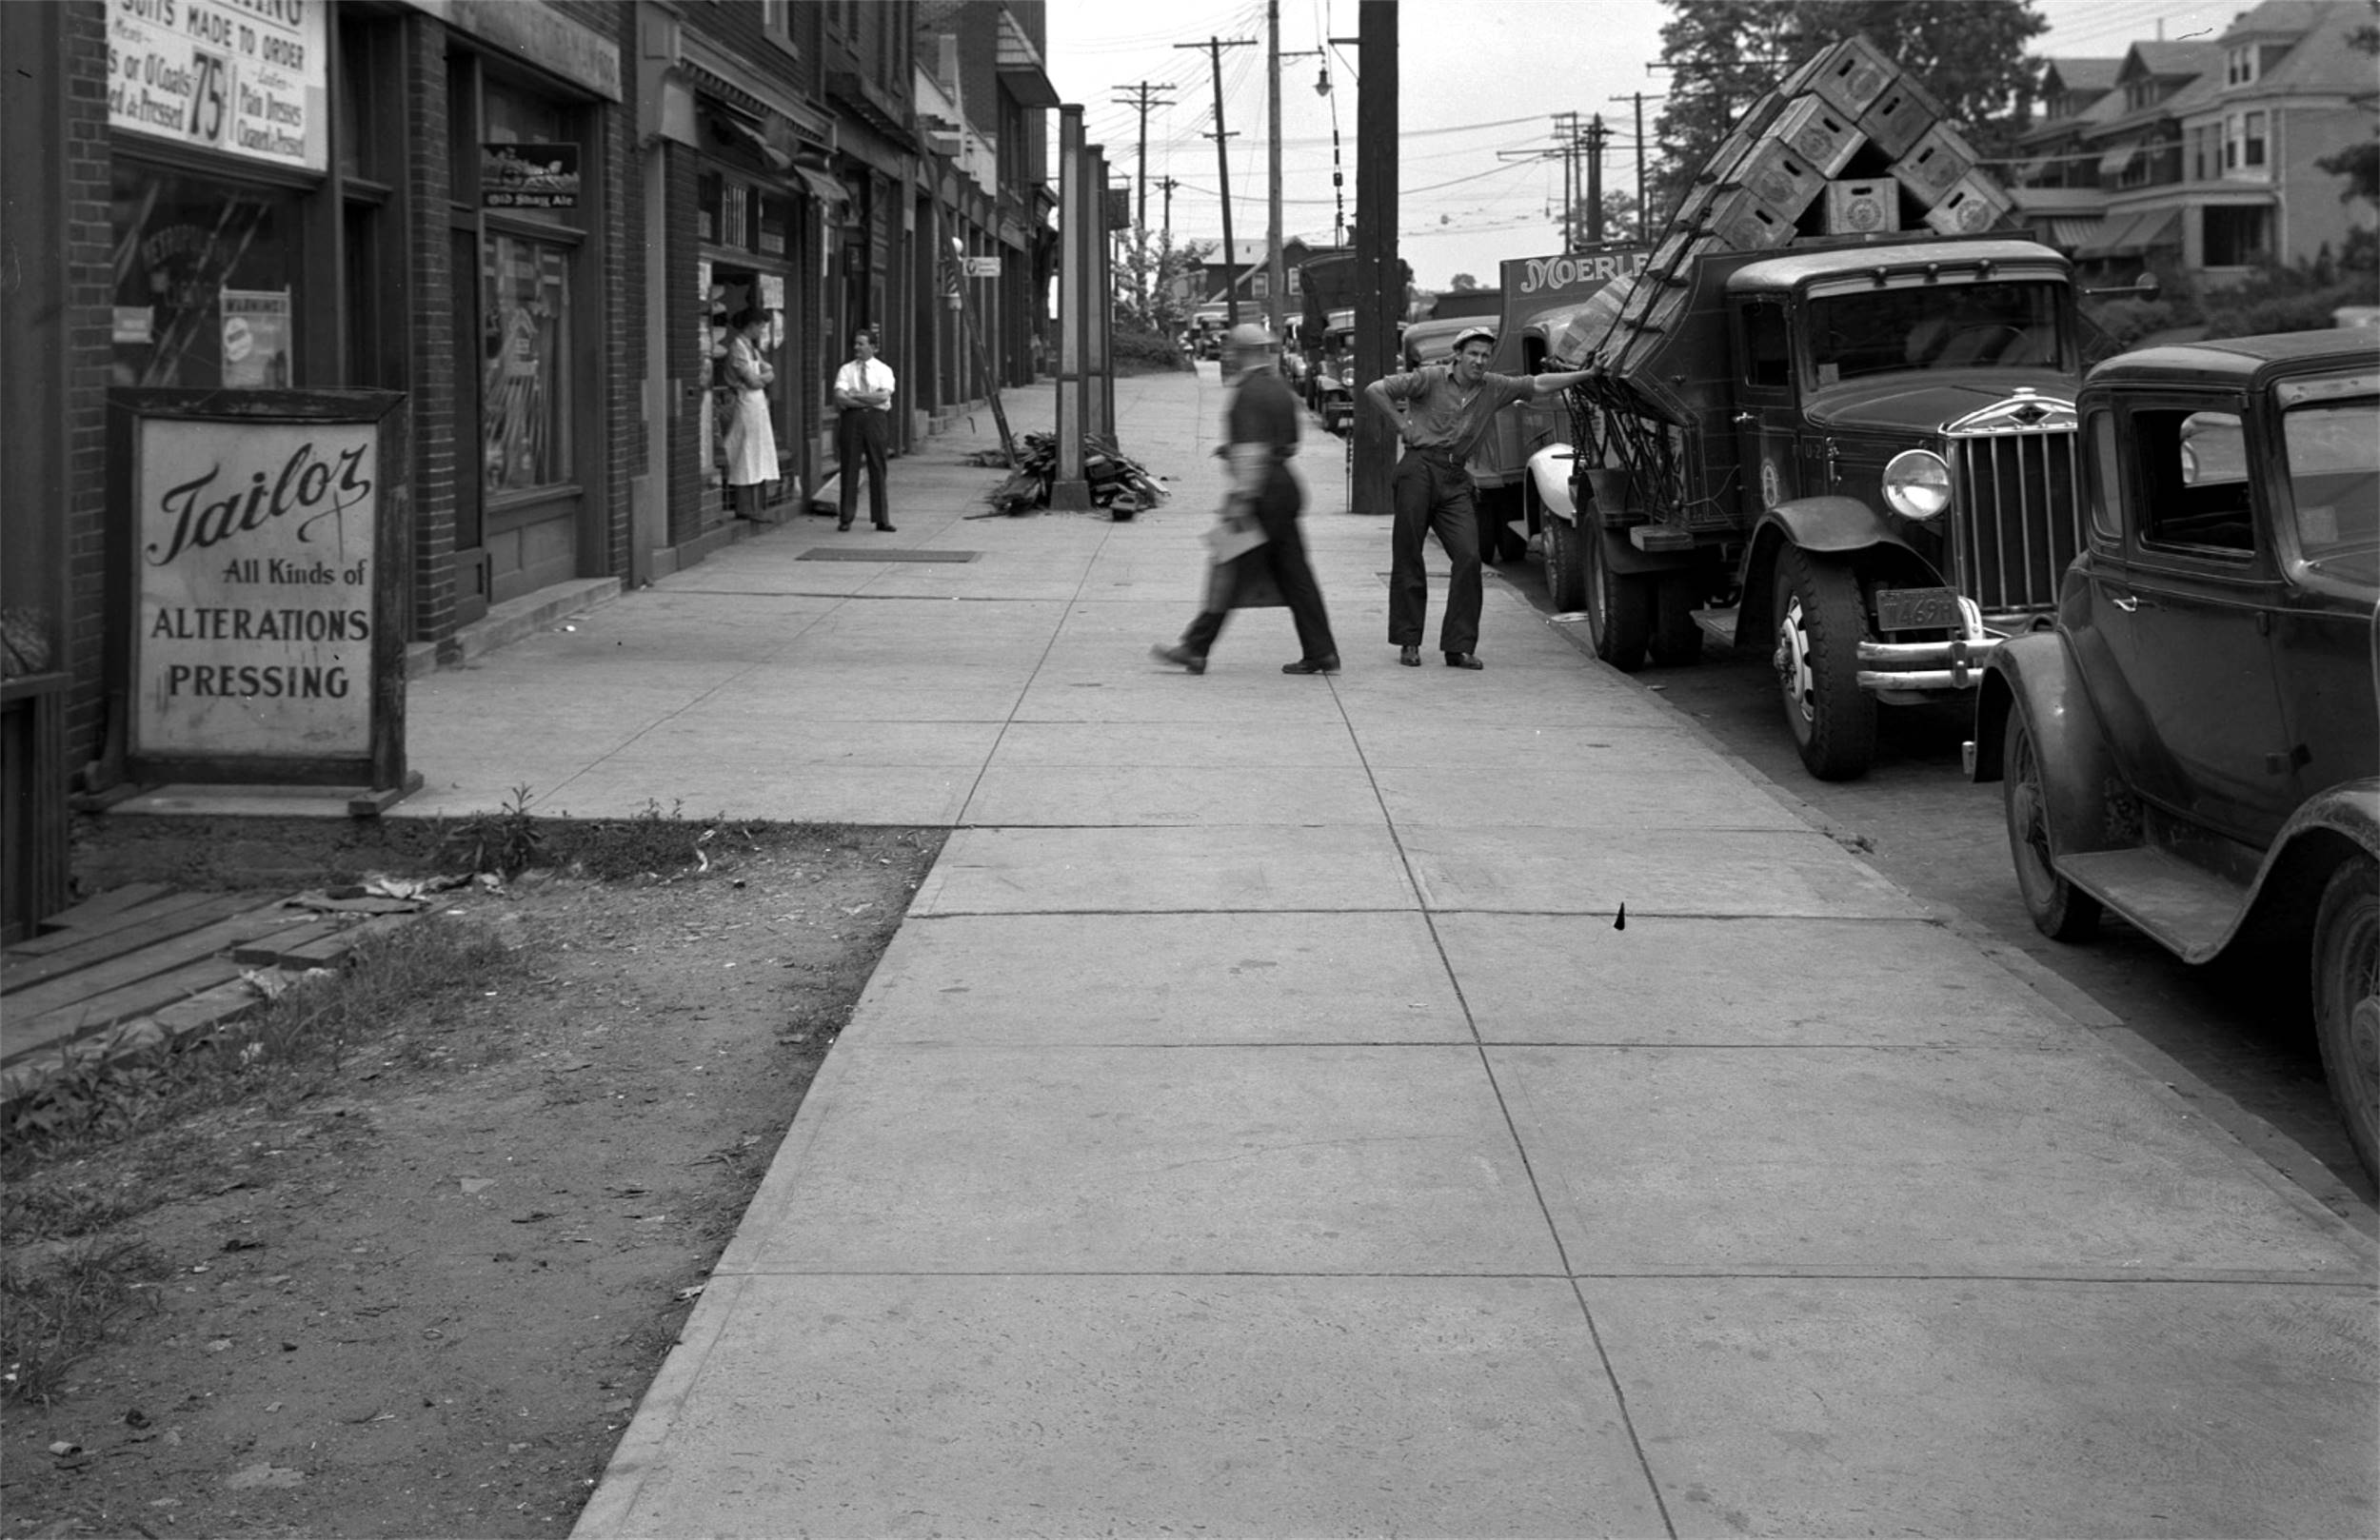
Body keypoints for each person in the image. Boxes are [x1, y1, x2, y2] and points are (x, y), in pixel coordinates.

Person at [1367, 326, 1595, 668]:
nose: (1479, 360)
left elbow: (1538, 383)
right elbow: (1376, 389)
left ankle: (1458, 647)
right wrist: (1402, 425)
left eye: (1485, 355)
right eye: (1473, 353)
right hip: (1418, 470)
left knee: (1469, 556)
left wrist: (1587, 374)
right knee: (1408, 554)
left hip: (1455, 477)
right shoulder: (1429, 378)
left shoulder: (1494, 387)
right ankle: (1408, 641)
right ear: (1458, 355)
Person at [1152, 323, 1339, 677]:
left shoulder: (1247, 392)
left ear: (1243, 352)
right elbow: (1287, 442)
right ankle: (1322, 651)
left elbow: (1253, 451)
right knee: (1295, 575)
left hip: (1260, 495)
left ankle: (1195, 648)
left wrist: (1241, 499)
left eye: (1232, 350)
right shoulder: (1278, 388)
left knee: (1228, 567)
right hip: (1285, 487)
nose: (1228, 356)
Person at [831, 328, 896, 532]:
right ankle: (846, 517)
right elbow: (840, 397)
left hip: (876, 420)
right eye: (855, 344)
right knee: (849, 466)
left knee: (878, 466)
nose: (856, 347)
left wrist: (855, 395)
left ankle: (881, 519)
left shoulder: (884, 370)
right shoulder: (846, 370)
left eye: (861, 344)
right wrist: (868, 399)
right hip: (851, 419)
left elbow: (883, 397)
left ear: (873, 347)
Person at [721, 309, 779, 521]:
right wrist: (765, 377)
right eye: (761, 326)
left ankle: (755, 505)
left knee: (757, 451)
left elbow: (767, 371)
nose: (762, 330)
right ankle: (745, 506)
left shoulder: (752, 349)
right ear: (751, 325)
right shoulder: (738, 348)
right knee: (745, 452)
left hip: (756, 404)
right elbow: (753, 380)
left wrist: (763, 376)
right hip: (744, 403)